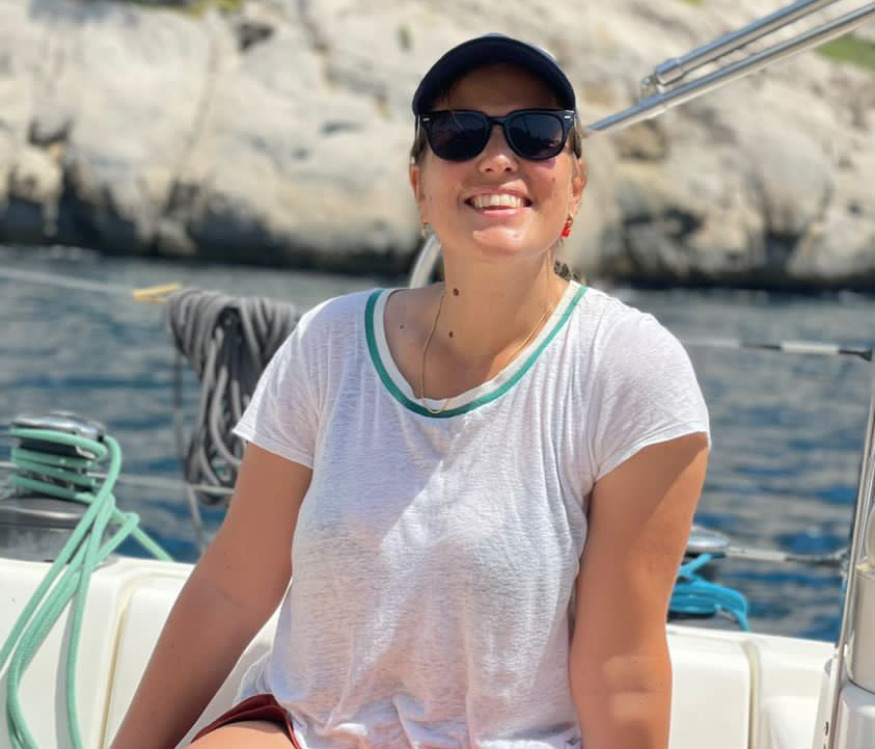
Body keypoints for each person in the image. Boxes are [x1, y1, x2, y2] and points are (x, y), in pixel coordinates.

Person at [110, 34, 710, 749]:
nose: (497, 157)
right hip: (307, 728)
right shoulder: (328, 341)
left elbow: (621, 666)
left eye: (534, 132)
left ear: (574, 185)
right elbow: (232, 587)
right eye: (458, 133)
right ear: (420, 187)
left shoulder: (630, 369)